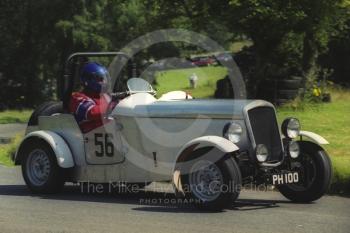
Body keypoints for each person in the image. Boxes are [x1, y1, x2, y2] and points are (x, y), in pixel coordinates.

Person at [69, 62, 116, 133]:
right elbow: (92, 112)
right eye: (100, 79)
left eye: (105, 79)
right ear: (88, 80)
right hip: (88, 136)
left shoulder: (106, 96)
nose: (104, 82)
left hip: (109, 134)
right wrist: (114, 105)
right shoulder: (77, 97)